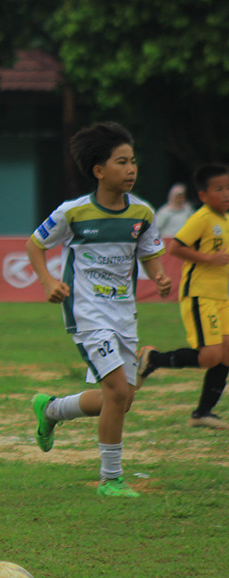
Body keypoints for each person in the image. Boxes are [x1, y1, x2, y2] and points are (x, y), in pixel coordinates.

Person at [26, 121, 171, 498]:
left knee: (121, 399)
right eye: (122, 162)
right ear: (99, 170)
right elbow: (35, 245)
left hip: (123, 313)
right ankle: (111, 479)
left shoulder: (142, 213)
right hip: (87, 312)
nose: (131, 169)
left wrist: (158, 275)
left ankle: (52, 409)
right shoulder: (73, 212)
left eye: (133, 161)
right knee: (117, 391)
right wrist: (48, 282)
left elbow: (149, 252)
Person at [135, 165, 229, 430]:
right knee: (210, 356)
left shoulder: (225, 220)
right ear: (203, 195)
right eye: (219, 189)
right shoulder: (202, 218)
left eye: (228, 187)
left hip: (222, 296)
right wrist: (209, 259)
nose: (226, 193)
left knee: (227, 354)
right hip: (200, 294)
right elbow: (175, 247)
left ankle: (202, 413)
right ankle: (153, 359)